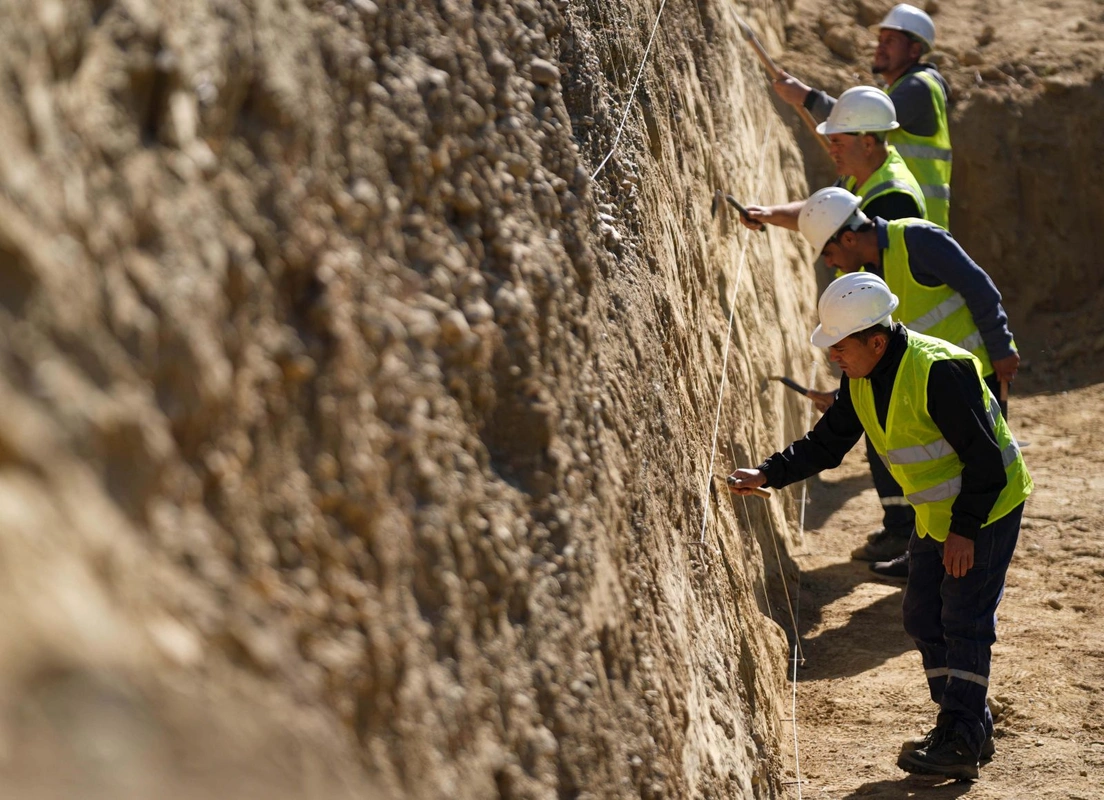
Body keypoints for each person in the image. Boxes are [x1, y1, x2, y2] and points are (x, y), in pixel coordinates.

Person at [728, 272, 1031, 780]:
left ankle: (960, 738)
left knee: (964, 618)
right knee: (921, 617)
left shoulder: (940, 372)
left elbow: (986, 463)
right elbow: (827, 443)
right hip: (937, 511)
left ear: (875, 340)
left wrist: (965, 531)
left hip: (987, 507)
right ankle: (965, 724)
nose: (833, 358)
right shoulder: (861, 378)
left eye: (840, 347)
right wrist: (767, 473)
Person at [798, 186, 1020, 577]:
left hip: (967, 378)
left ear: (848, 238)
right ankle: (925, 555)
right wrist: (847, 395)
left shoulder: (917, 240)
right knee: (926, 465)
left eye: (829, 253)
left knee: (974, 469)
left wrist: (1002, 347)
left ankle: (971, 562)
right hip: (921, 384)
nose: (832, 265)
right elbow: (886, 354)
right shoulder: (868, 282)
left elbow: (979, 287)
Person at [773, 4, 953, 230]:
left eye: (890, 41)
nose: (879, 48)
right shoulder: (898, 89)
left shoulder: (919, 87)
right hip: (900, 222)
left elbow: (857, 120)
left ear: (914, 50)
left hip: (912, 229)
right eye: (880, 40)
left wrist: (808, 97)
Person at [739, 86, 926, 234]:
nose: (831, 150)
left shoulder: (893, 200)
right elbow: (820, 212)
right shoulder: (859, 174)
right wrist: (769, 214)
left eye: (837, 142)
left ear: (868, 144)